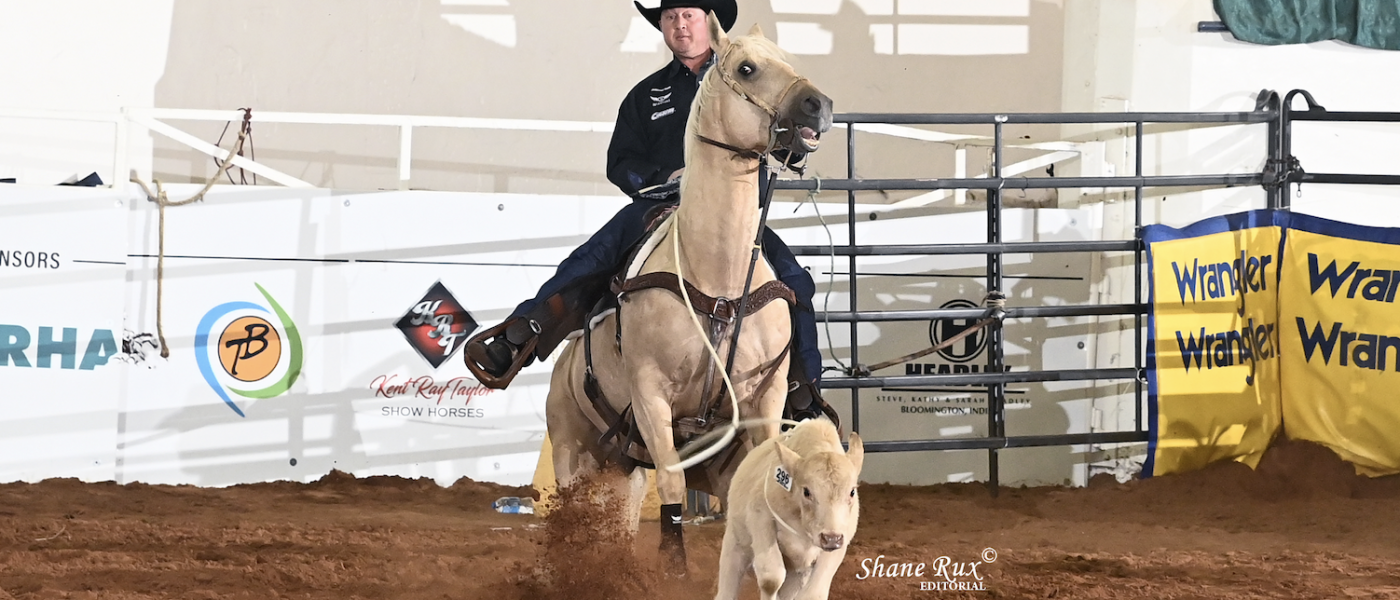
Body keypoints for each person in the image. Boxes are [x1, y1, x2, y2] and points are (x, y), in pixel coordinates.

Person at [464, 0, 835, 426]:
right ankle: (521, 334)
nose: (680, 25)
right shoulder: (646, 95)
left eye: (689, 15)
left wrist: (797, 137)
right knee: (594, 257)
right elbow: (620, 163)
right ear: (661, 25)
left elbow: (780, 137)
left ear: (709, 24)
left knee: (794, 282)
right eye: (671, 17)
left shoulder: (750, 80)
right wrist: (666, 176)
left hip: (734, 217)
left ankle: (802, 392)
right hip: (661, 205)